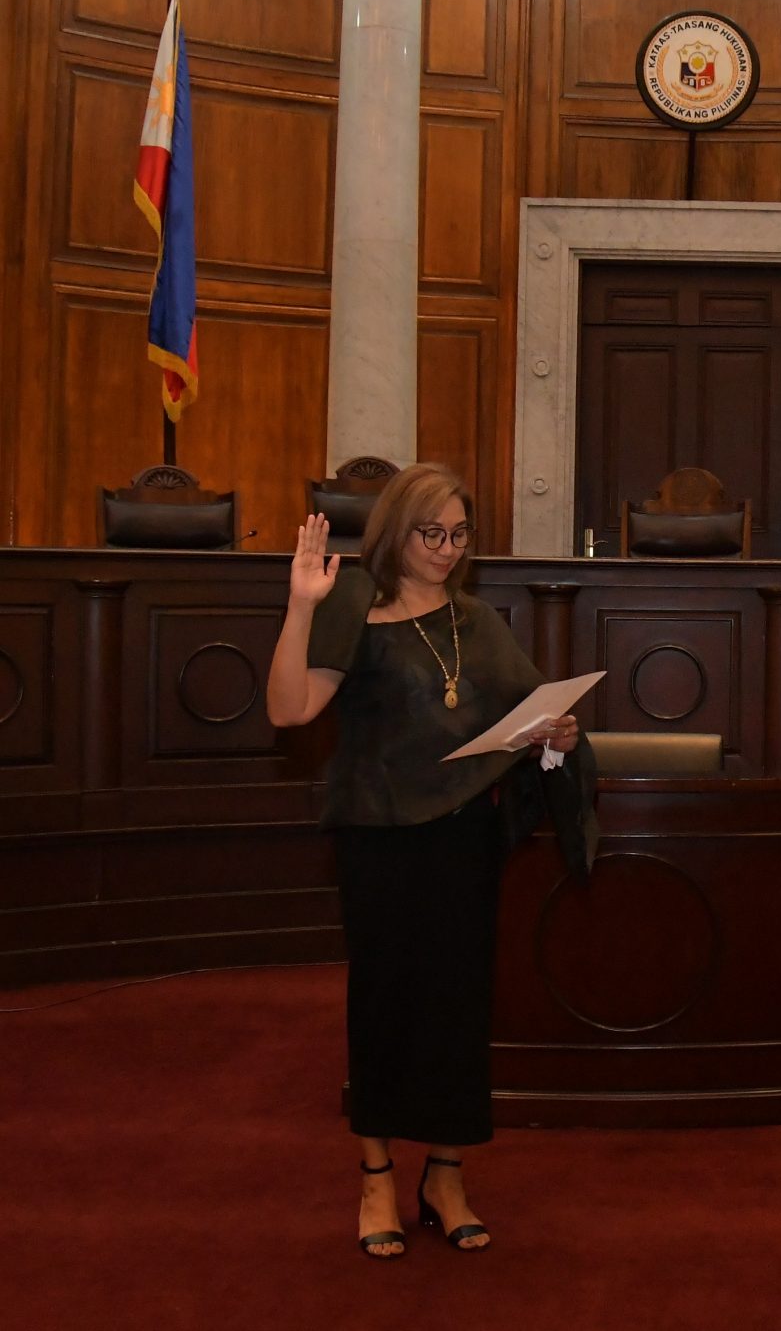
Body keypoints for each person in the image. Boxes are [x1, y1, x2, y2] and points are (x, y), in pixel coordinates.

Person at [266, 463, 597, 1260]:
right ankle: (376, 1175)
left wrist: (557, 735)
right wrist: (300, 606)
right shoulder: (354, 604)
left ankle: (445, 1175)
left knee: (457, 1007)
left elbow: (530, 711)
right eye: (431, 534)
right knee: (385, 1002)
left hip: (460, 841)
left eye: (459, 534)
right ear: (396, 532)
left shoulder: (475, 621)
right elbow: (289, 708)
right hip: (379, 839)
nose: (447, 549)